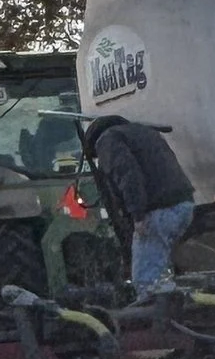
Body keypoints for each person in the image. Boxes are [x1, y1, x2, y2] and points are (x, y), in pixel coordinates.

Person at [82, 114, 196, 296]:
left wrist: (138, 216)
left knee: (145, 281)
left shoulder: (108, 140)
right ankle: (179, 305)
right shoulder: (146, 133)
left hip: (158, 212)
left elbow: (128, 176)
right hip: (184, 206)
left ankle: (159, 312)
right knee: (163, 274)